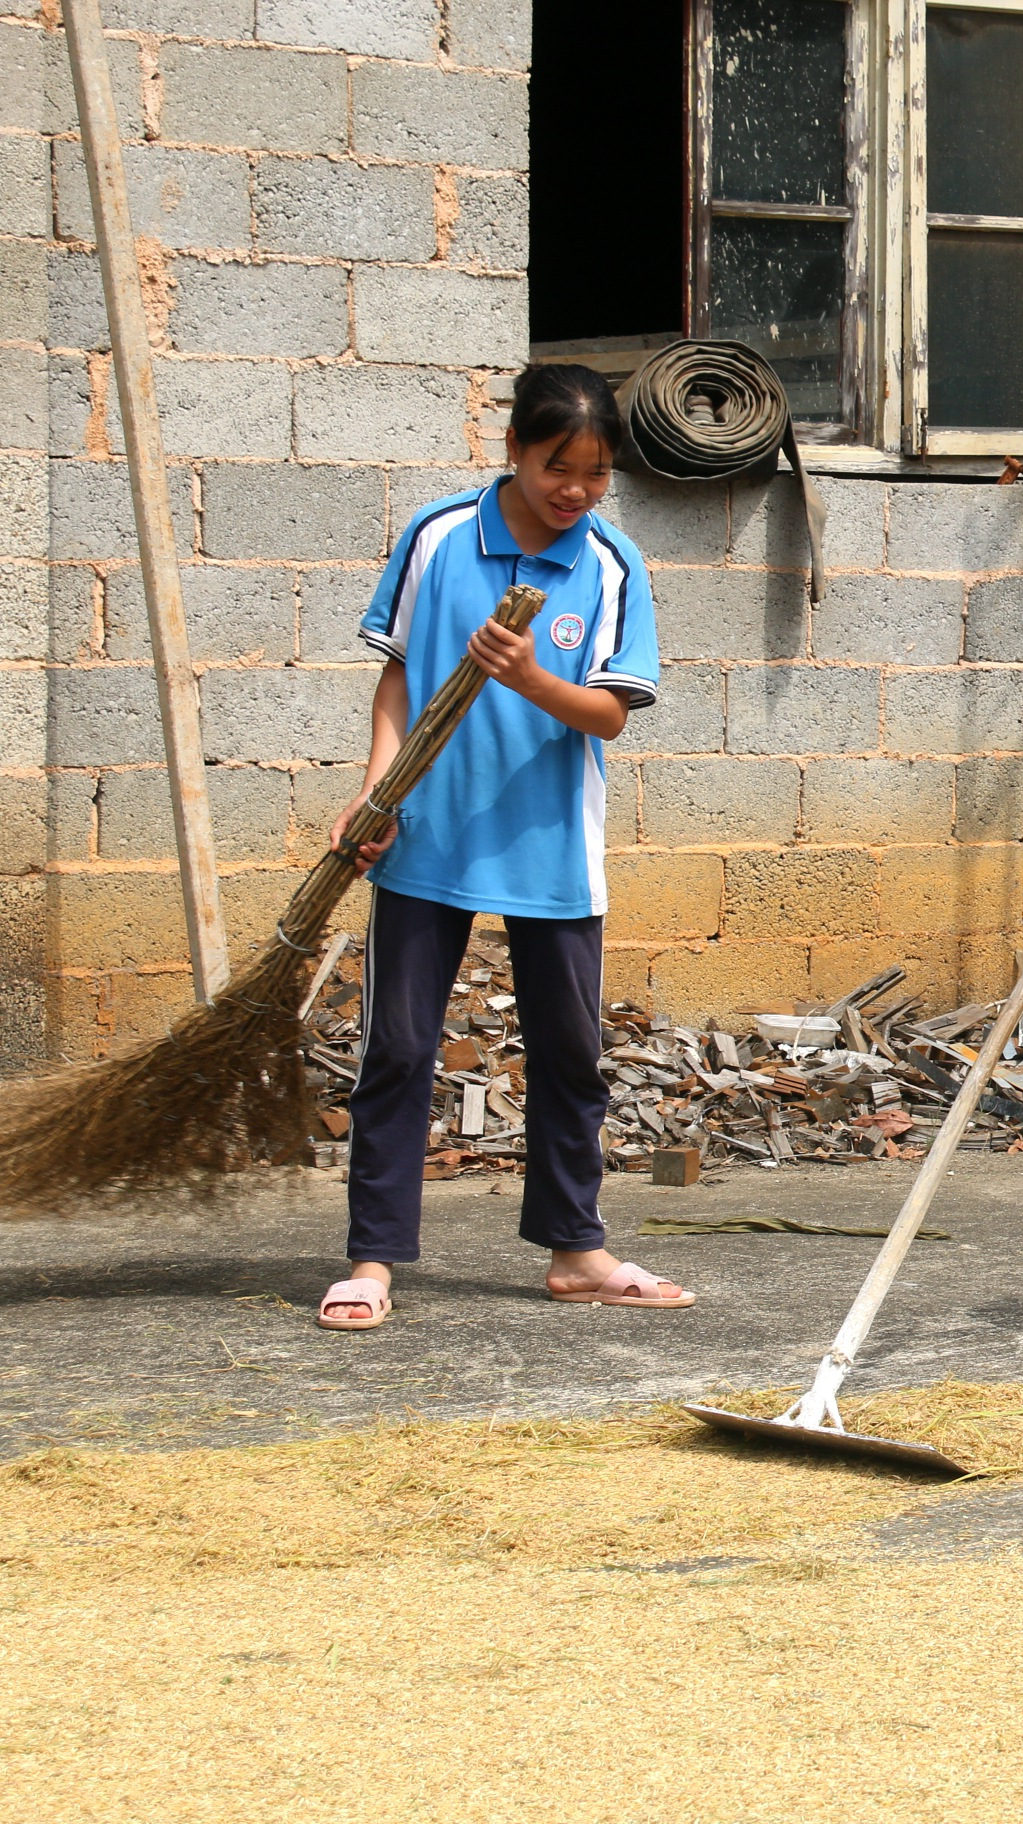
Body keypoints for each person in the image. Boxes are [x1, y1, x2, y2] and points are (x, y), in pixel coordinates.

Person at [315, 364, 692, 1331]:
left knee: (570, 1053)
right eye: (558, 466)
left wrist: (526, 676)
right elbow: (399, 681)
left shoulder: (611, 565)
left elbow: (608, 716)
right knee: (397, 1049)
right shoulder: (439, 536)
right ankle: (372, 1260)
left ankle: (577, 1251)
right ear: (516, 449)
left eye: (598, 473)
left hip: (550, 845)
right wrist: (374, 791)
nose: (576, 490)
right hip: (426, 832)